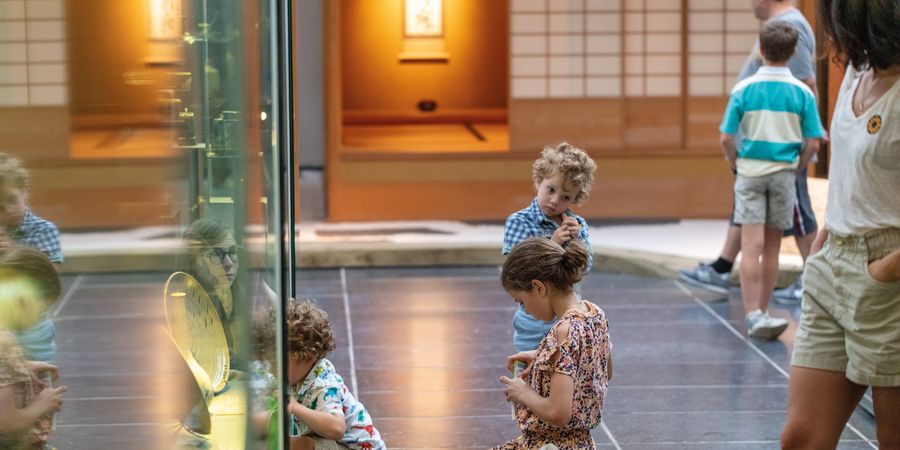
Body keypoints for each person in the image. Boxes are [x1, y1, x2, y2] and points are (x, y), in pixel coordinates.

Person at [781, 0, 900, 448]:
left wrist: (884, 270)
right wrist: (824, 242)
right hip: (832, 263)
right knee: (802, 436)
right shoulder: (857, 69)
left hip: (887, 276)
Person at [679, 0, 822, 305]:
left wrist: (801, 155)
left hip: (779, 154)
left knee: (793, 220)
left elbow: (804, 87)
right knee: (754, 223)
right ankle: (724, 267)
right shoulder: (782, 26)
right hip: (761, 155)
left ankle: (811, 281)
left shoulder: (790, 27)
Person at [720, 21, 824, 340]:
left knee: (749, 247)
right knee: (772, 247)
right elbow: (814, 142)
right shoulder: (803, 92)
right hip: (783, 175)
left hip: (749, 172)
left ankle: (752, 315)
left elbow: (726, 137)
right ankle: (764, 311)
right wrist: (798, 165)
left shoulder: (743, 90)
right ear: (794, 52)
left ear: (761, 50)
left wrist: (737, 163)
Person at [492, 238, 612, 450]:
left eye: (521, 302)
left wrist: (523, 392)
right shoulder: (594, 313)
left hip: (552, 444)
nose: (525, 311)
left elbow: (558, 414)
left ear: (538, 287)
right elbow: (602, 370)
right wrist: (543, 357)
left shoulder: (563, 332)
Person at [502, 142, 597, 352]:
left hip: (567, 313)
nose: (555, 201)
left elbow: (585, 268)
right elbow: (516, 273)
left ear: (576, 198)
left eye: (566, 197)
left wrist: (577, 241)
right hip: (533, 317)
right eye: (550, 189)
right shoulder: (520, 221)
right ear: (539, 181)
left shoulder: (576, 224)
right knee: (529, 366)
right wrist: (552, 245)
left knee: (565, 366)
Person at [286, 298, 385, 450]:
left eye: (284, 361)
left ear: (309, 356)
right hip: (339, 444)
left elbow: (337, 428)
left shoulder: (323, 385)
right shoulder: (301, 374)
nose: (276, 369)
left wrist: (294, 407)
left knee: (300, 445)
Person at [0, 247, 68, 449]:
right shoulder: (5, 343)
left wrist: (20, 366)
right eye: (41, 311)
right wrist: (44, 403)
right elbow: (7, 424)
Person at [0, 153, 63, 363]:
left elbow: (49, 277)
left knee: (39, 374)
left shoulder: (43, 230)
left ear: (24, 192)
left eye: (12, 199)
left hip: (32, 324)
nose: (7, 211)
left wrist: (12, 253)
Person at [183, 218, 241, 353]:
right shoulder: (182, 302)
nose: (228, 263)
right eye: (215, 254)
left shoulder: (238, 293)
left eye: (233, 252)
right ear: (193, 260)